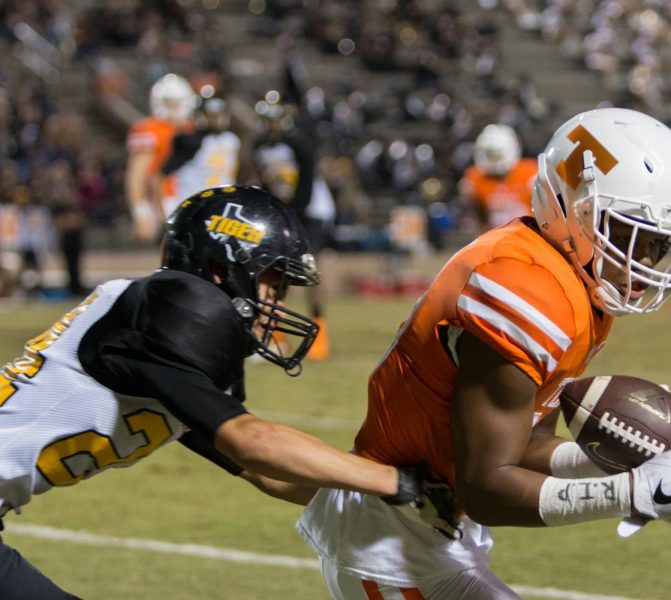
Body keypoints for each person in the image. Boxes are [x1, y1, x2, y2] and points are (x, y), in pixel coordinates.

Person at [297, 108, 671, 598]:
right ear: (575, 208)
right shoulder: (525, 287)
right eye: (633, 235)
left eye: (659, 243)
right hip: (393, 543)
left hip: (427, 528)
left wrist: (625, 464)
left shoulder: (565, 279)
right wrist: (628, 493)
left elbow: (522, 442)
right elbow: (486, 487)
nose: (646, 261)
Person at [0, 186, 439, 599]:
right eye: (273, 285)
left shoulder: (164, 331)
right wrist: (394, 481)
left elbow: (269, 473)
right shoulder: (166, 316)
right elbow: (252, 443)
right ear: (222, 269)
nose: (279, 307)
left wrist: (379, 497)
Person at [253, 97, 333, 360]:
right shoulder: (260, 146)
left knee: (311, 270)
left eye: (275, 119)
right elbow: (265, 181)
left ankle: (320, 329)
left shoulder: (298, 144)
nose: (272, 125)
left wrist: (292, 211)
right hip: (284, 212)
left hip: (309, 212)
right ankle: (274, 333)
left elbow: (306, 182)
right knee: (273, 271)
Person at [124, 73, 197, 243]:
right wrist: (140, 212)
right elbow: (136, 175)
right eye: (168, 103)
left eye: (176, 103)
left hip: (192, 195)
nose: (173, 108)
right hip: (163, 200)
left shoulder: (193, 128)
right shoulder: (149, 129)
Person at [161, 92, 241, 209]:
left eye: (217, 115)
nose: (214, 120)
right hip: (192, 206)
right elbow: (161, 176)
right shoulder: (190, 141)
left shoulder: (231, 140)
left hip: (222, 205)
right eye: (210, 116)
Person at [459, 123, 538, 232]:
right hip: (494, 236)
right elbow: (477, 216)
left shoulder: (529, 172)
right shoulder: (475, 177)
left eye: (496, 154)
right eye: (489, 155)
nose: (492, 159)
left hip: (529, 234)